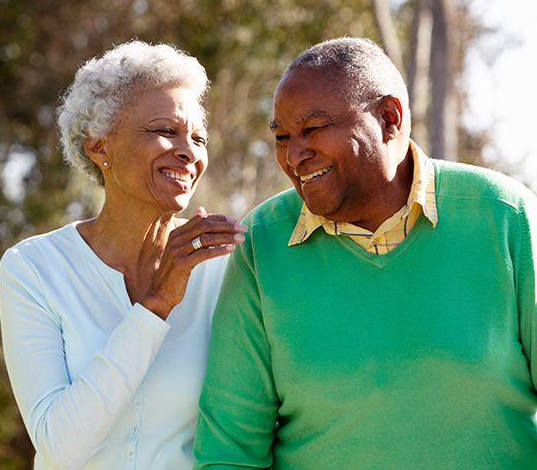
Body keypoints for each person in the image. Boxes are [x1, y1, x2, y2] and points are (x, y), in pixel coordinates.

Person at [193, 37, 537, 469]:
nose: (294, 154)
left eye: (313, 129)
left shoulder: (504, 216)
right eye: (282, 136)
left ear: (389, 118)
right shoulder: (262, 245)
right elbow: (229, 454)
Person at [0, 40, 246, 470]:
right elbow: (60, 447)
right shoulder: (32, 269)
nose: (189, 151)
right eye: (165, 130)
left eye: (198, 137)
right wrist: (157, 305)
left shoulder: (224, 269)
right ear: (99, 147)